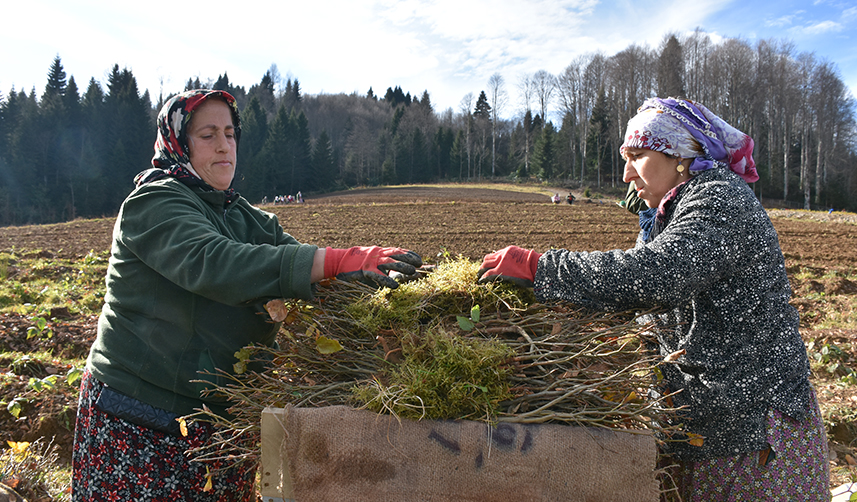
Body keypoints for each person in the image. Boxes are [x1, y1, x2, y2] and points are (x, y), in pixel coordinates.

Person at [72, 89, 422, 501]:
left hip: (218, 427)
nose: (224, 145)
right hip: (140, 419)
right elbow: (218, 264)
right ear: (178, 143)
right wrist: (336, 261)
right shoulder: (153, 203)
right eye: (207, 135)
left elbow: (300, 269)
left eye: (230, 133)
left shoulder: (245, 217)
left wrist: (385, 284)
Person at [477, 97, 829, 500]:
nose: (626, 173)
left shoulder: (721, 200)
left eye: (638, 157)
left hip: (755, 433)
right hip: (704, 429)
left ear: (679, 156)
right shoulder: (679, 209)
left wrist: (543, 268)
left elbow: (656, 275)